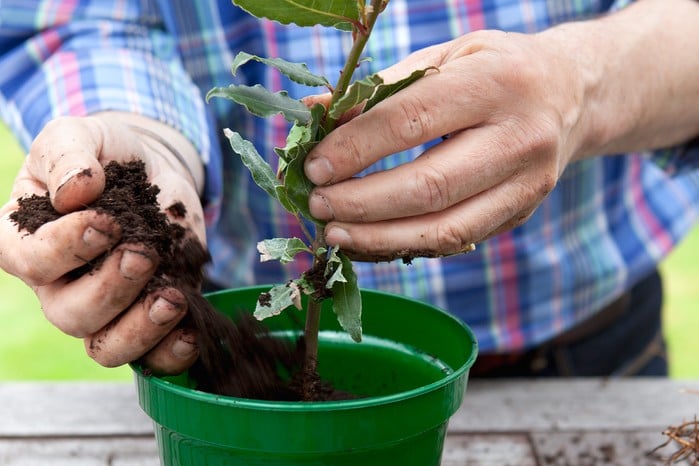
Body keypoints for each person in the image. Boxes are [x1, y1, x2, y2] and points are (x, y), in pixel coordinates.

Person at [0, 0, 697, 377]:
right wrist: (142, 146)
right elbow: (81, 22)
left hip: (587, 352)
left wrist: (584, 82)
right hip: (245, 358)